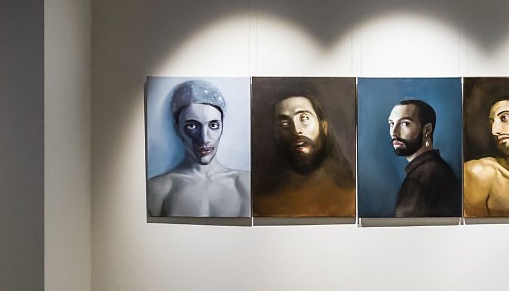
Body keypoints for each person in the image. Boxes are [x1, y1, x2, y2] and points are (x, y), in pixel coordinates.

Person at [146, 80, 251, 217]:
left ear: (222, 126)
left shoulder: (246, 183)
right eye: (192, 126)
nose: (204, 138)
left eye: (213, 125)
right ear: (177, 128)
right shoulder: (157, 189)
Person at [253, 88, 356, 217]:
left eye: (304, 118)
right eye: (284, 123)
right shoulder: (261, 202)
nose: (296, 130)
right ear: (276, 134)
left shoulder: (352, 194)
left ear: (323, 127)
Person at [387, 98, 461, 216]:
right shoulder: (429, 170)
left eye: (405, 124)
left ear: (427, 130)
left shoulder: (427, 177)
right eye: (391, 124)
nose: (394, 132)